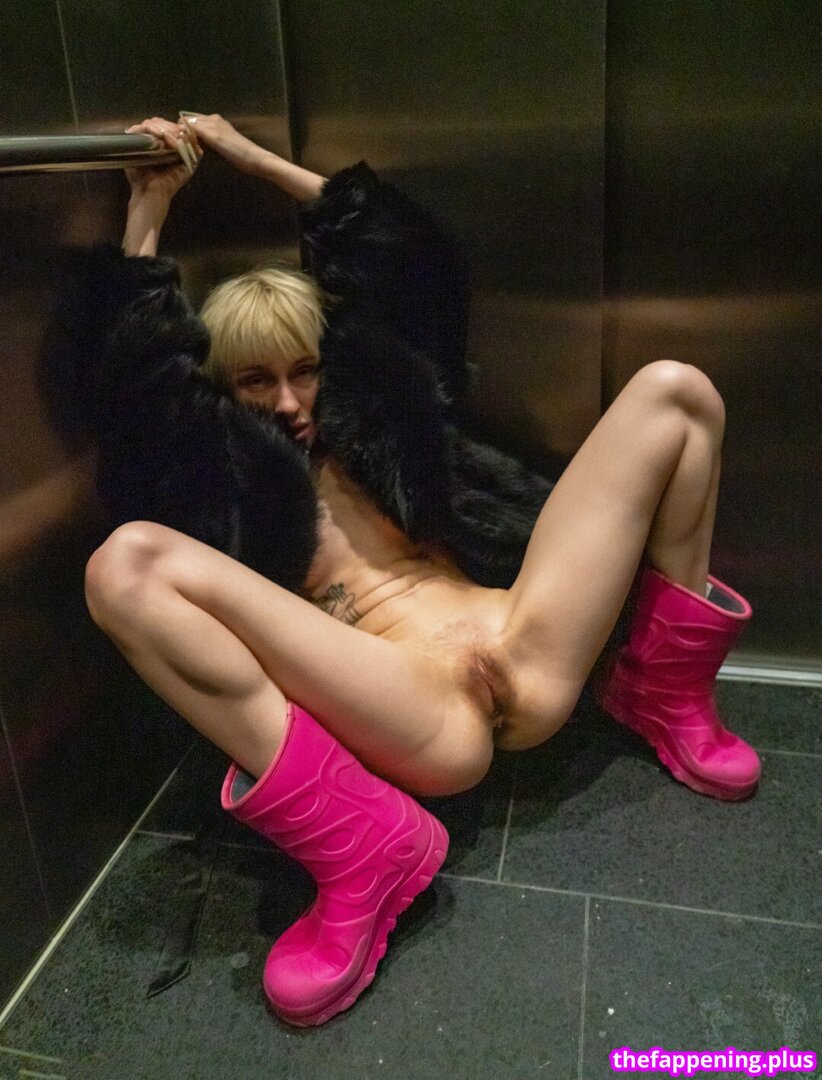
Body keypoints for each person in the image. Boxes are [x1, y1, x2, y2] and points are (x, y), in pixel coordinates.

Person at [71, 114, 760, 1027]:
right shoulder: (222, 472)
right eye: (257, 381)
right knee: (124, 566)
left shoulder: (381, 415)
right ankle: (364, 846)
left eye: (306, 371)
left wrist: (248, 156)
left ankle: (661, 687)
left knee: (675, 392)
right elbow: (139, 382)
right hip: (414, 709)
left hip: (527, 638)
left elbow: (412, 260)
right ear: (225, 388)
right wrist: (149, 206)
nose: (289, 401)